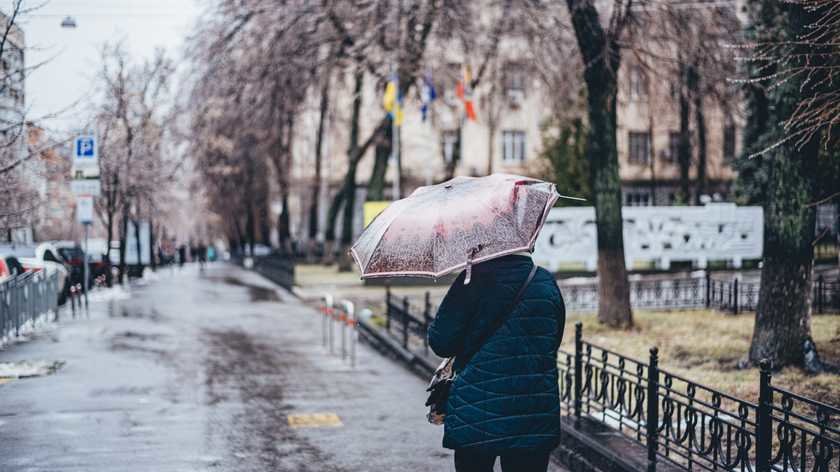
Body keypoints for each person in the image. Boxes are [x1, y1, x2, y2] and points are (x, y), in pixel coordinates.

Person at [427, 252, 566, 472]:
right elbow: (552, 340)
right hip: (533, 409)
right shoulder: (544, 281)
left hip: (475, 409)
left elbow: (441, 344)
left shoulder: (470, 282)